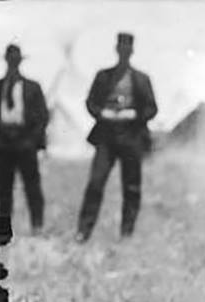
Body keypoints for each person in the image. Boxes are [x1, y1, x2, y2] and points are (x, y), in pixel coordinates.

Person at [75, 32, 158, 243]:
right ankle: (83, 232)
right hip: (106, 138)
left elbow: (151, 108)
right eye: (121, 48)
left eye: (127, 48)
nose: (124, 52)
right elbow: (90, 102)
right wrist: (102, 113)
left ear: (131, 51)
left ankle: (127, 233)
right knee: (95, 183)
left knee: (131, 187)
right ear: (116, 50)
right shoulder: (103, 76)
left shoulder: (141, 79)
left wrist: (134, 115)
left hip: (131, 137)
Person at [0, 44, 49, 235]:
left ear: (20, 61)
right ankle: (3, 231)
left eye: (16, 59)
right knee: (3, 190)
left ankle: (37, 226)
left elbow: (43, 116)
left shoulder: (32, 88)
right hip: (1, 144)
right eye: (10, 59)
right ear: (6, 60)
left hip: (25, 143)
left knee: (32, 188)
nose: (13, 63)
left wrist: (33, 140)